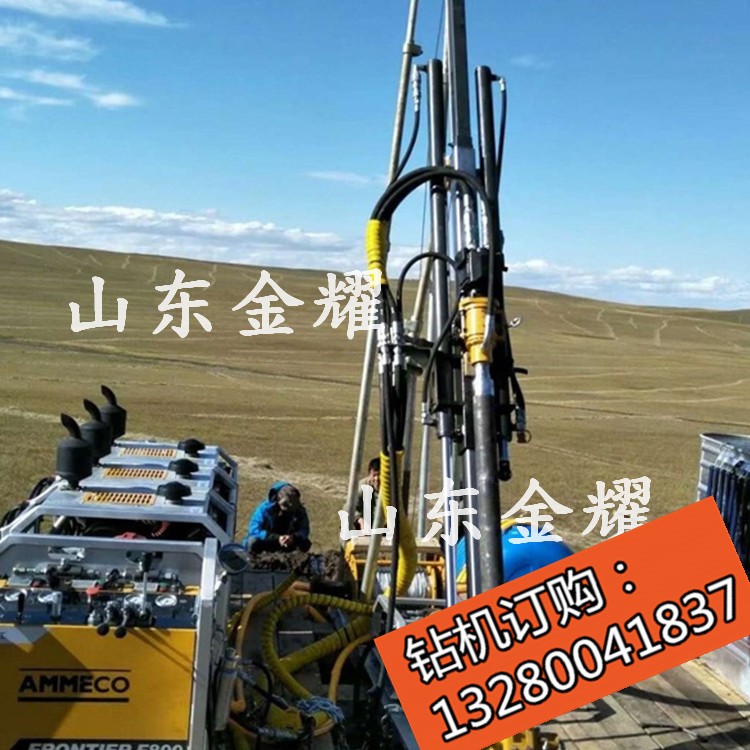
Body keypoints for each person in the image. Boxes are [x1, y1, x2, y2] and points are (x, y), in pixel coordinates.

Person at [244, 481, 312, 553]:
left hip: (288, 543)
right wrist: (277, 538)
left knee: (305, 543)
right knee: (253, 542)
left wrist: (293, 538)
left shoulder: (300, 510)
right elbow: (254, 530)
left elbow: (304, 530)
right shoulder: (264, 509)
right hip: (267, 542)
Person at [351, 457, 380, 530]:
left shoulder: (391, 489)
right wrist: (360, 520)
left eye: (379, 475)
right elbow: (351, 508)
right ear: (369, 474)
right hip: (364, 525)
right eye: (374, 475)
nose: (377, 479)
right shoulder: (362, 486)